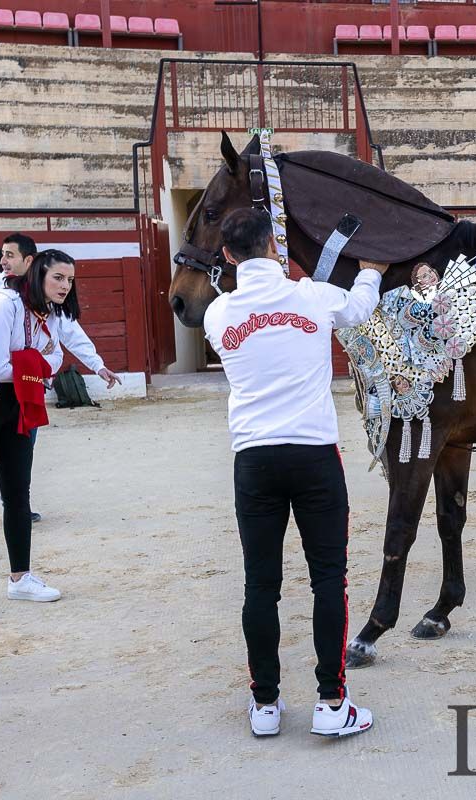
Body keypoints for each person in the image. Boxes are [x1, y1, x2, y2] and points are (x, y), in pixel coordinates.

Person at [203, 207, 385, 739]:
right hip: (313, 454)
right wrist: (371, 267)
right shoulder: (313, 297)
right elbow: (360, 306)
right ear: (272, 247)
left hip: (255, 457)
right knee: (329, 577)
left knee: (261, 582)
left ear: (229, 256)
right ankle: (332, 701)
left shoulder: (220, 315)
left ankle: (265, 703)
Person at [0, 250, 86, 622]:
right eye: (58, 277)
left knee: (17, 495)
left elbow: (57, 358)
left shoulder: (51, 312)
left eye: (70, 280)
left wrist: (35, 363)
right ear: (40, 274)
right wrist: (33, 363)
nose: (65, 286)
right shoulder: (3, 305)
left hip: (18, 404)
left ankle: (20, 577)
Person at [0, 234, 120, 524]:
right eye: (3, 255)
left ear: (30, 262)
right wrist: (33, 363)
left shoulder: (50, 300)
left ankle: (16, 504)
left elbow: (66, 340)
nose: (2, 261)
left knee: (19, 466)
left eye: (10, 255)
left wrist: (97, 364)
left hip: (24, 395)